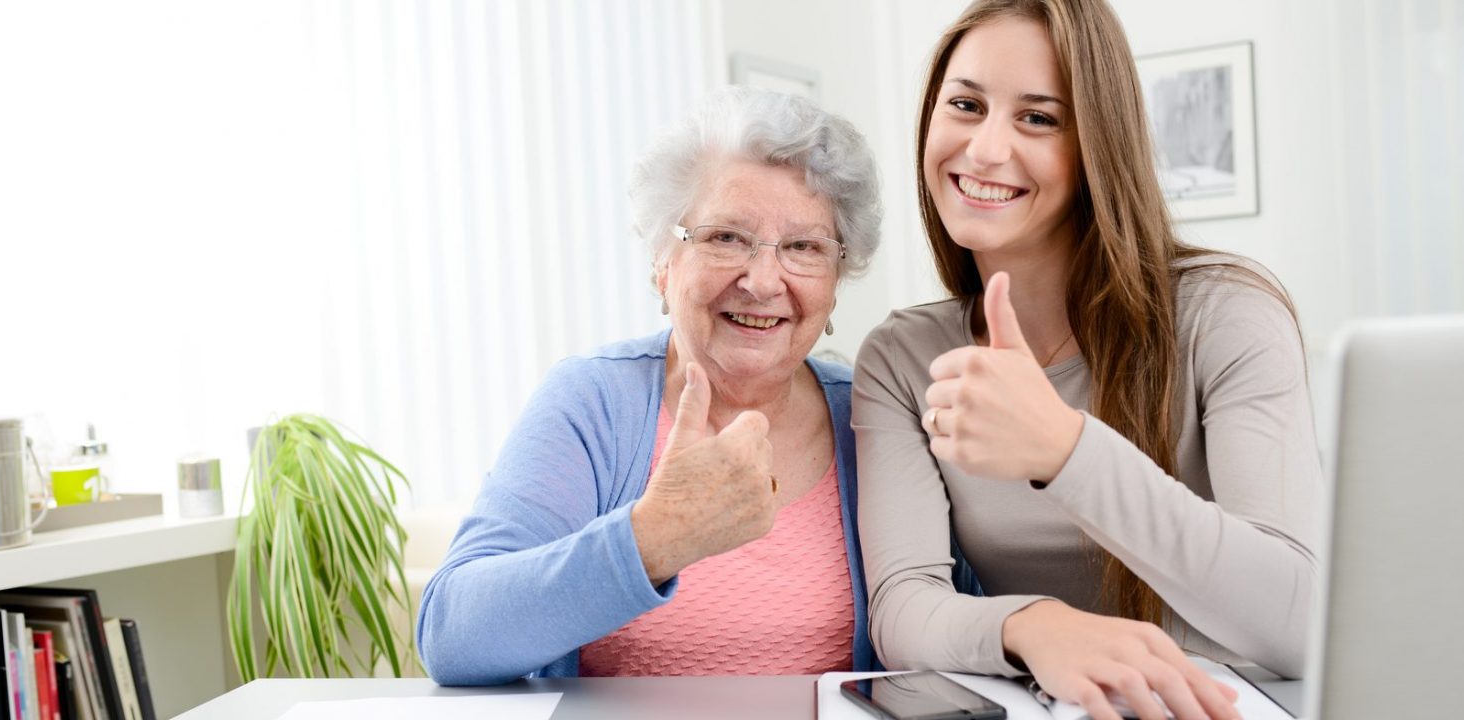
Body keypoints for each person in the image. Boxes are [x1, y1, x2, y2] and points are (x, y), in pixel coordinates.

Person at [852, 1, 1321, 719]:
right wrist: (1033, 627)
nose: (982, 149)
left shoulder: (1228, 314)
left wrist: (1065, 450)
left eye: (1038, 118)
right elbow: (904, 606)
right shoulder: (902, 356)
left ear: (1099, 146)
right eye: (966, 104)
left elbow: (1299, 623)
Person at [417, 86, 892, 685]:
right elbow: (452, 635)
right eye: (726, 238)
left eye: (803, 247)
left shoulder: (873, 418)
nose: (763, 280)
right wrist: (653, 538)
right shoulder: (593, 402)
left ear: (835, 282)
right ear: (663, 264)